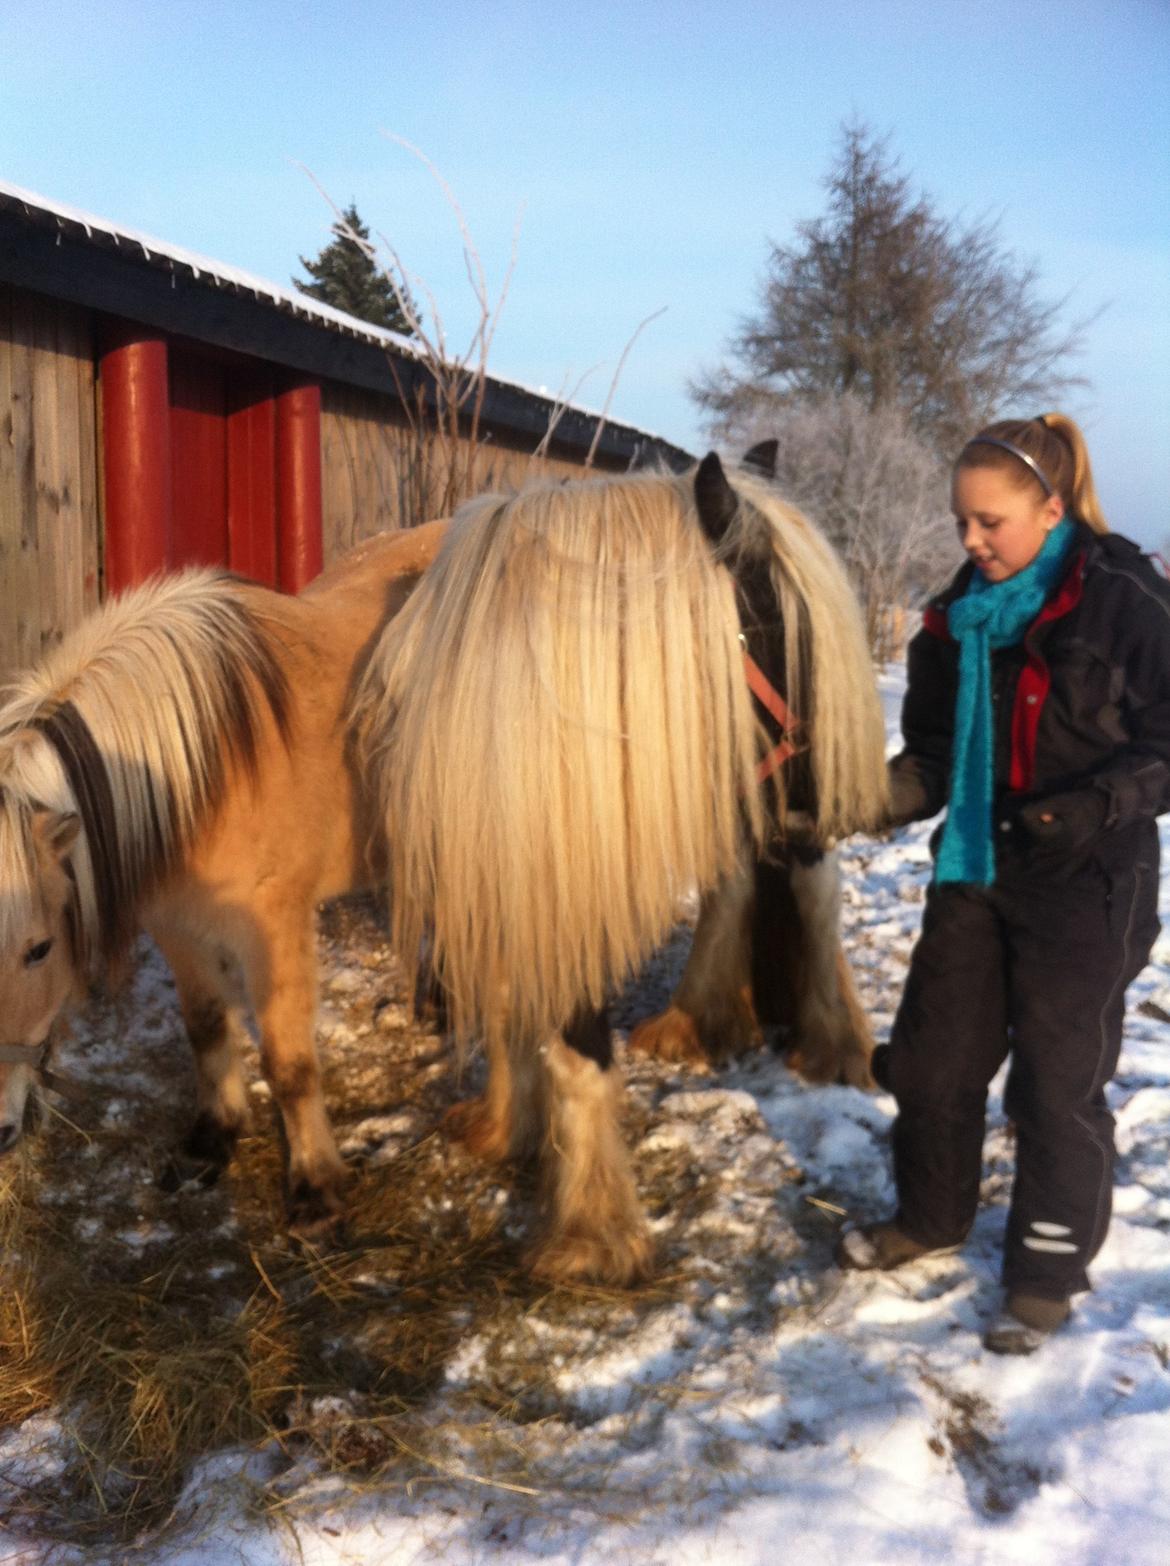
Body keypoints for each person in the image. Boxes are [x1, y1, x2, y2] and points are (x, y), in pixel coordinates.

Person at [837, 413, 1170, 1354]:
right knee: (934, 1064)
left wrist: (1103, 802)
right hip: (975, 867)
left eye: (991, 523)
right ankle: (931, 1220)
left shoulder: (1122, 600)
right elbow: (939, 750)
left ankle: (1045, 1270)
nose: (973, 542)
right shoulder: (957, 615)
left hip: (1088, 883)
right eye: (960, 524)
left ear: (1051, 508)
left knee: (1055, 1090)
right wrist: (876, 795)